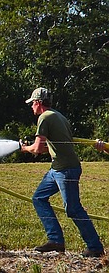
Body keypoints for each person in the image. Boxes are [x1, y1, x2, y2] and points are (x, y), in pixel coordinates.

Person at [19, 87, 104, 257]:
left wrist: (23, 148)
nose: (31, 107)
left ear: (38, 102)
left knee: (73, 209)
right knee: (39, 198)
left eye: (32, 104)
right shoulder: (59, 116)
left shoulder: (44, 117)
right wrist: (32, 147)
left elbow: (36, 149)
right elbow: (46, 148)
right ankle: (55, 240)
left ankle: (95, 247)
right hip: (58, 168)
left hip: (65, 170)